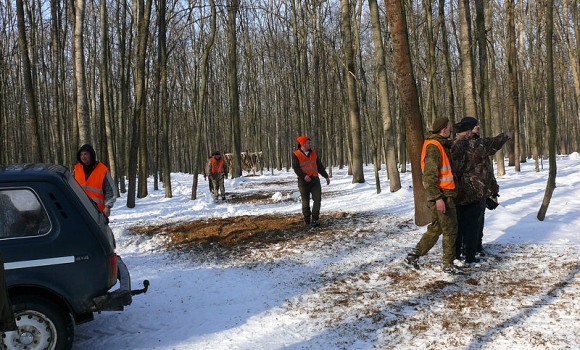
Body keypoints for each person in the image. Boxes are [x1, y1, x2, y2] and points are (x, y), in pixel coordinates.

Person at [404, 117, 462, 275]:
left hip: (444, 194)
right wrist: (438, 199)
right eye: (449, 127)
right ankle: (448, 265)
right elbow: (429, 177)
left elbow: (448, 145)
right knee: (450, 229)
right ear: (443, 129)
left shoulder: (438, 143)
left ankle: (413, 256)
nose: (451, 129)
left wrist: (459, 139)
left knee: (436, 229)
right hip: (442, 196)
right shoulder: (434, 147)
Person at [451, 119, 512, 264]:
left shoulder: (454, 145)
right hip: (473, 192)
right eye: (474, 125)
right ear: (468, 130)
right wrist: (506, 135)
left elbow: (486, 168)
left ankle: (458, 253)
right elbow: (492, 143)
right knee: (472, 225)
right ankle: (470, 256)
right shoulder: (474, 145)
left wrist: (492, 187)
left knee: (461, 225)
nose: (478, 126)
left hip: (459, 192)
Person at [292, 136, 330, 228]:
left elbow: (319, 166)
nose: (310, 144)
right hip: (303, 181)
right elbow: (296, 168)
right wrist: (304, 176)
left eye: (310, 143)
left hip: (315, 180)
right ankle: (307, 220)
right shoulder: (296, 154)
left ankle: (315, 219)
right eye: (308, 143)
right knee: (305, 201)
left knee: (317, 199)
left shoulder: (314, 153)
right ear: (303, 144)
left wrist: (326, 176)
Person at [74, 144, 116, 217]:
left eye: (85, 154)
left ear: (91, 155)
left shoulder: (102, 170)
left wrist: (108, 206)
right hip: (80, 208)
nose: (83, 157)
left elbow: (110, 191)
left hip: (98, 211)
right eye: (81, 154)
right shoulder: (77, 169)